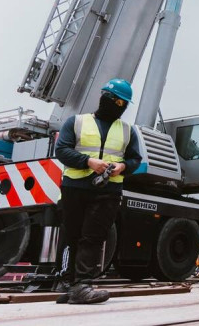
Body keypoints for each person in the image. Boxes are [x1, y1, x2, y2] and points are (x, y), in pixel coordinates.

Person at [54, 78, 142, 305]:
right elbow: (62, 150)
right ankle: (69, 282)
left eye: (121, 103)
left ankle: (81, 285)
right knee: (71, 235)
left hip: (108, 190)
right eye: (113, 99)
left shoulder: (127, 130)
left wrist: (122, 167)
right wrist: (88, 162)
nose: (116, 105)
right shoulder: (76, 122)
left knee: (92, 237)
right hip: (75, 188)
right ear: (103, 97)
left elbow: (135, 159)